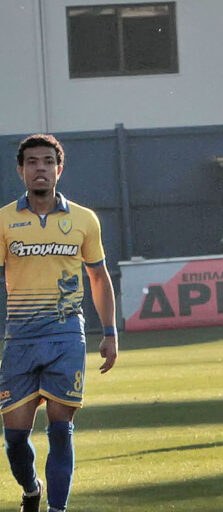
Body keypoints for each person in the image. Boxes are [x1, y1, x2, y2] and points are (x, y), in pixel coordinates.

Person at [0, 134, 119, 512]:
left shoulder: (84, 219)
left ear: (59, 169)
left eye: (48, 162)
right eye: (32, 162)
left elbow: (98, 277)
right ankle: (31, 489)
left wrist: (110, 332)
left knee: (60, 430)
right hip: (19, 340)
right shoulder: (3, 220)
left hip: (66, 336)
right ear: (21, 170)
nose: (41, 168)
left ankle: (57, 509)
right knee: (14, 439)